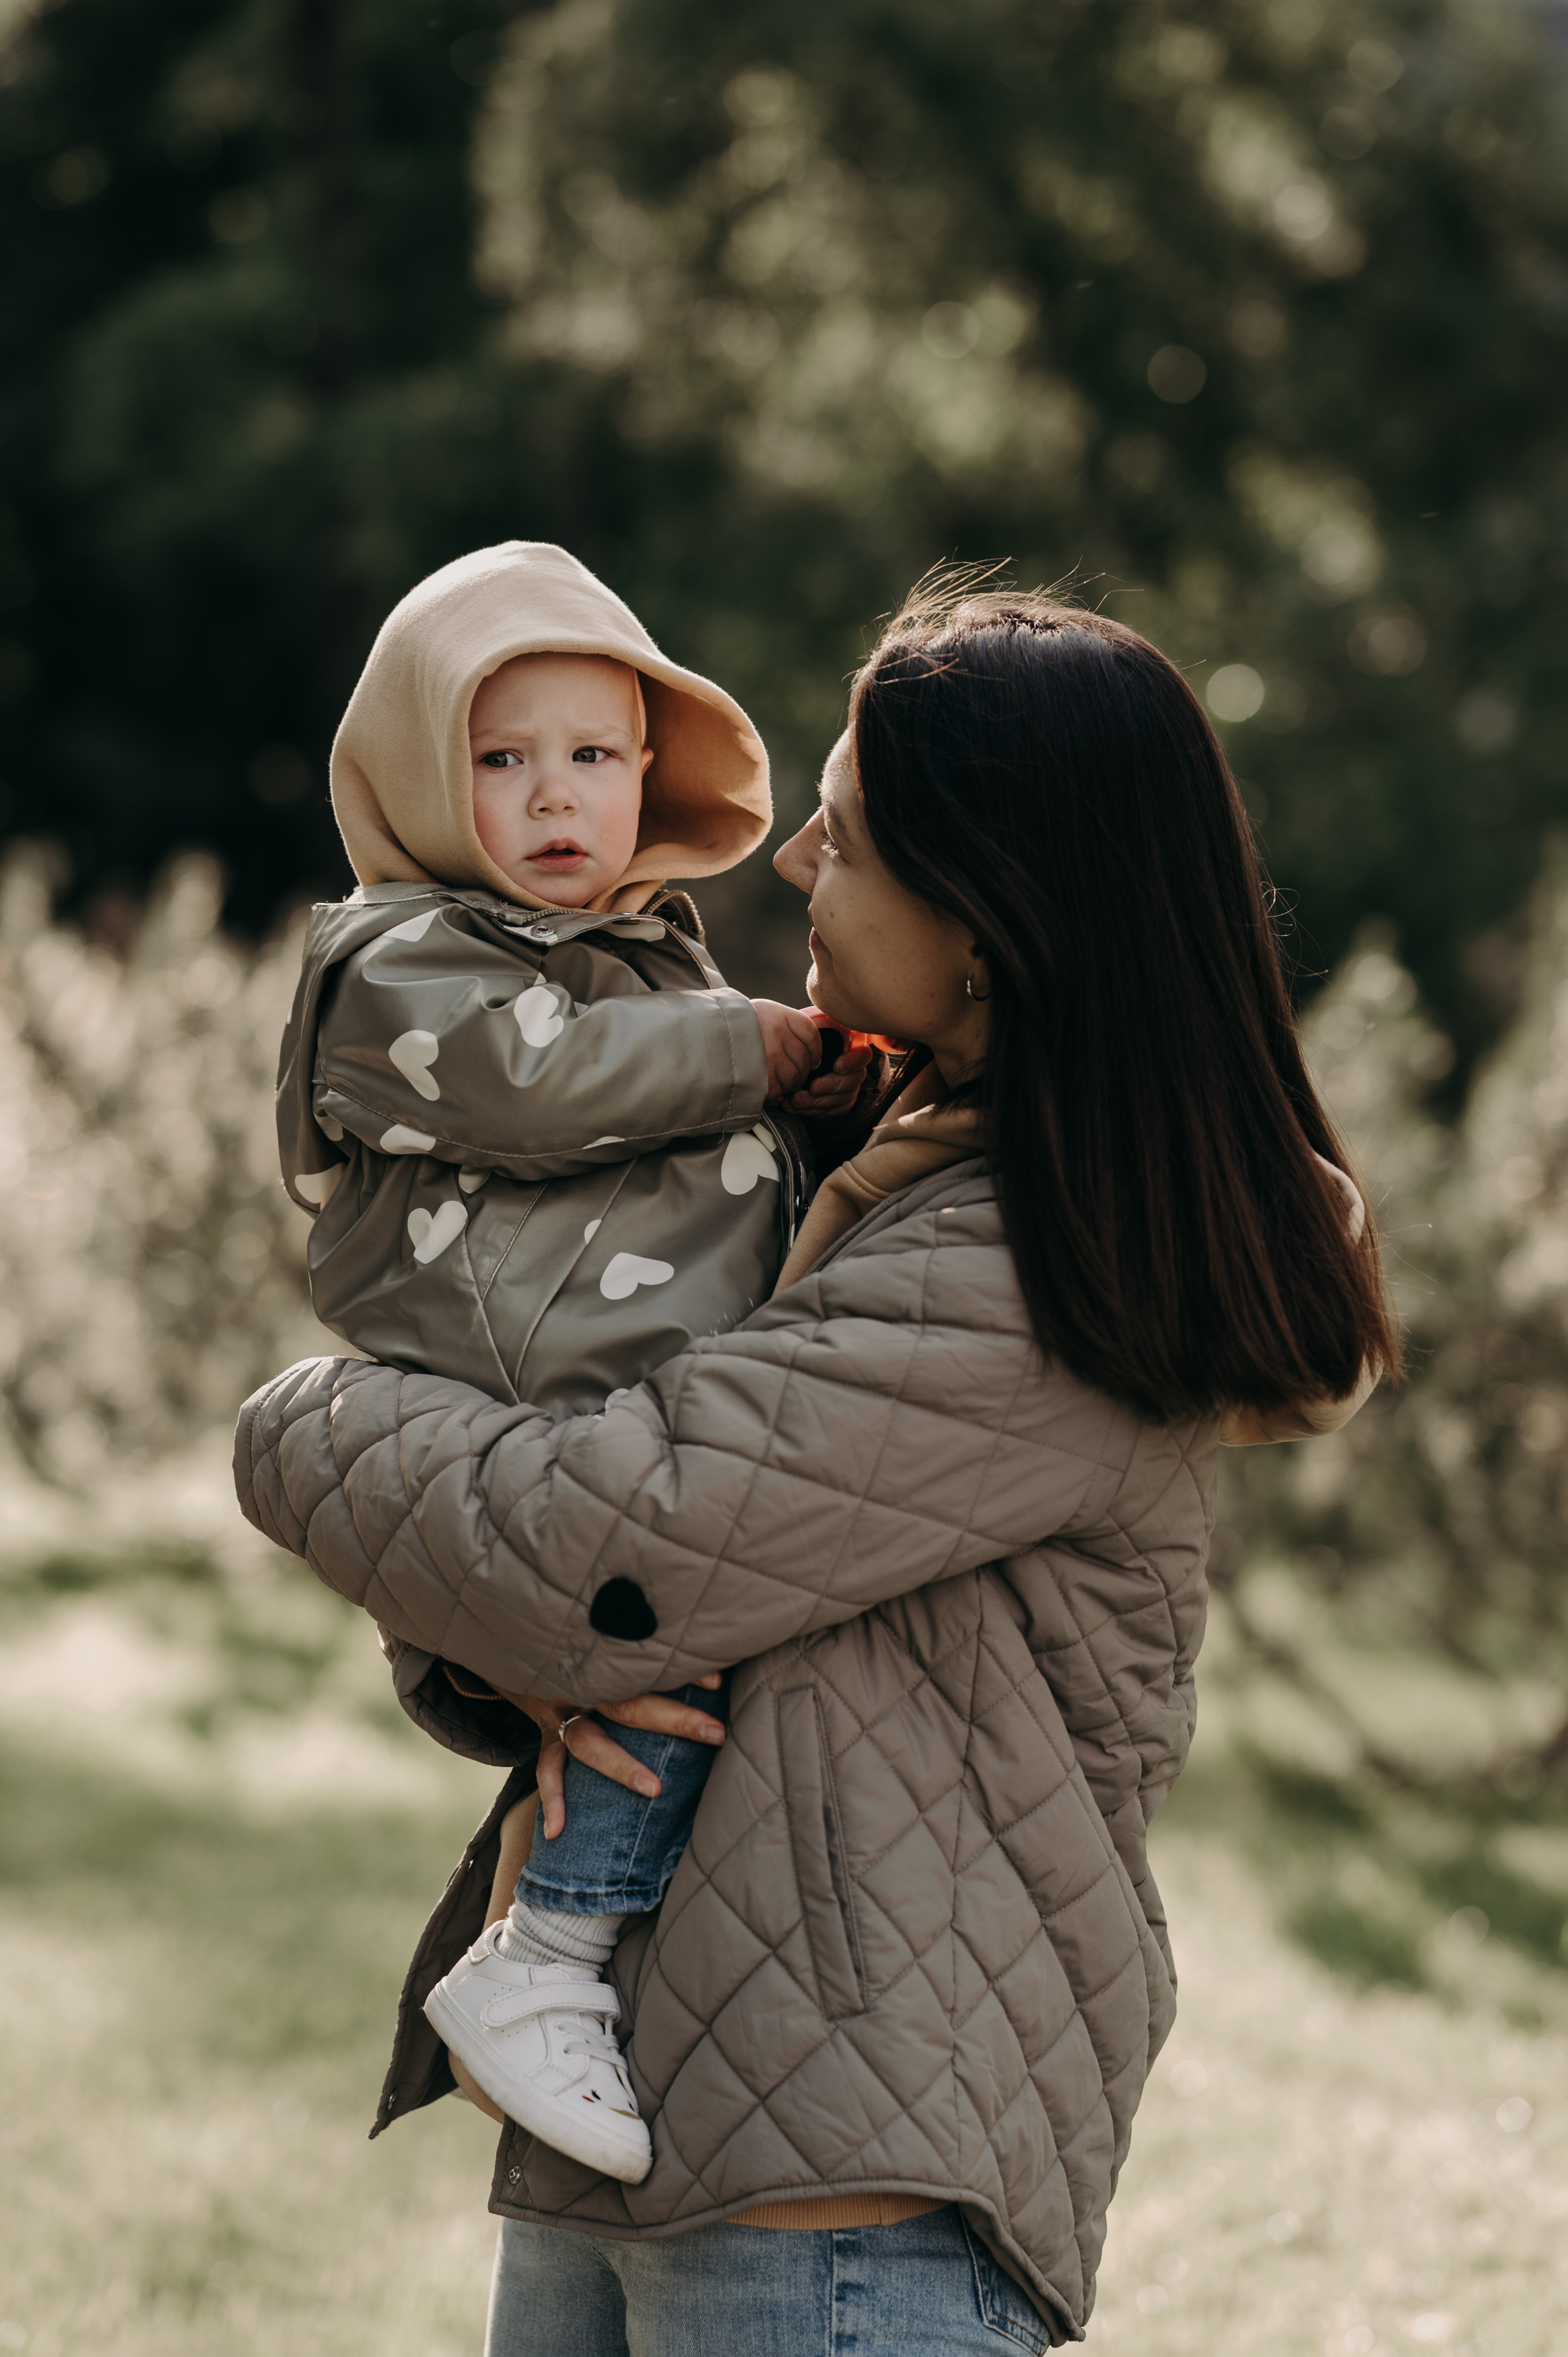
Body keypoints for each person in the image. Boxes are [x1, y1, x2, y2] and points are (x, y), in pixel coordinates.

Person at [237, 582, 1398, 2354]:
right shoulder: (875, 1171)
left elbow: (598, 1545)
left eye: (843, 836)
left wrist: (303, 1422)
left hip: (834, 2185)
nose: (786, 858)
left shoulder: (1029, 1273)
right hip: (664, 2104)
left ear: (986, 920)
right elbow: (596, 1556)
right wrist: (488, 1648)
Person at [277, 540, 868, 2182]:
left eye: (594, 754)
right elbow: (529, 1082)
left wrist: (812, 1099)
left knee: (682, 1656)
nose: (555, 794)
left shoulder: (646, 954)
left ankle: (570, 1946)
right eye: (500, 757)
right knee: (669, 1630)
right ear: (419, 775)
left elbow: (688, 1146)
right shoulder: (394, 961)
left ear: (647, 768)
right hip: (526, 1393)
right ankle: (547, 1952)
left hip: (626, 1381)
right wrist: (749, 1047)